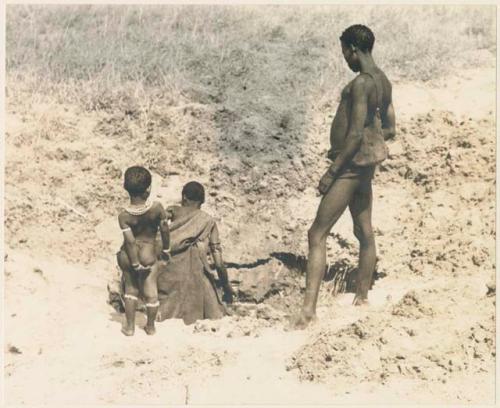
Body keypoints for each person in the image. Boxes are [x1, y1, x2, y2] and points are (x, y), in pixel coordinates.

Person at [292, 25, 396, 329]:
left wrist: (331, 171)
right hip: (364, 167)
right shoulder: (383, 81)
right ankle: (361, 298)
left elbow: (351, 136)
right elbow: (390, 128)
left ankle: (308, 311)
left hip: (349, 169)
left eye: (344, 53)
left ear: (353, 48)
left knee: (316, 234)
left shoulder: (361, 84)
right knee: (364, 232)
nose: (345, 59)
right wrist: (369, 138)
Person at [155, 181, 235, 325]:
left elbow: (158, 223)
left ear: (184, 197)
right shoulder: (207, 221)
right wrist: (226, 286)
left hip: (167, 272)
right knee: (211, 302)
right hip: (195, 276)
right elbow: (218, 262)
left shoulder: (173, 211)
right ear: (203, 201)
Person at [116, 166, 170, 336]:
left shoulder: (124, 216)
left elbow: (130, 241)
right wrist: (166, 249)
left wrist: (134, 263)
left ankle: (130, 327)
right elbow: (164, 230)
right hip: (148, 254)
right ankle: (150, 327)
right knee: (151, 291)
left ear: (125, 188)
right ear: (148, 189)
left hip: (127, 256)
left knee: (130, 289)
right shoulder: (157, 208)